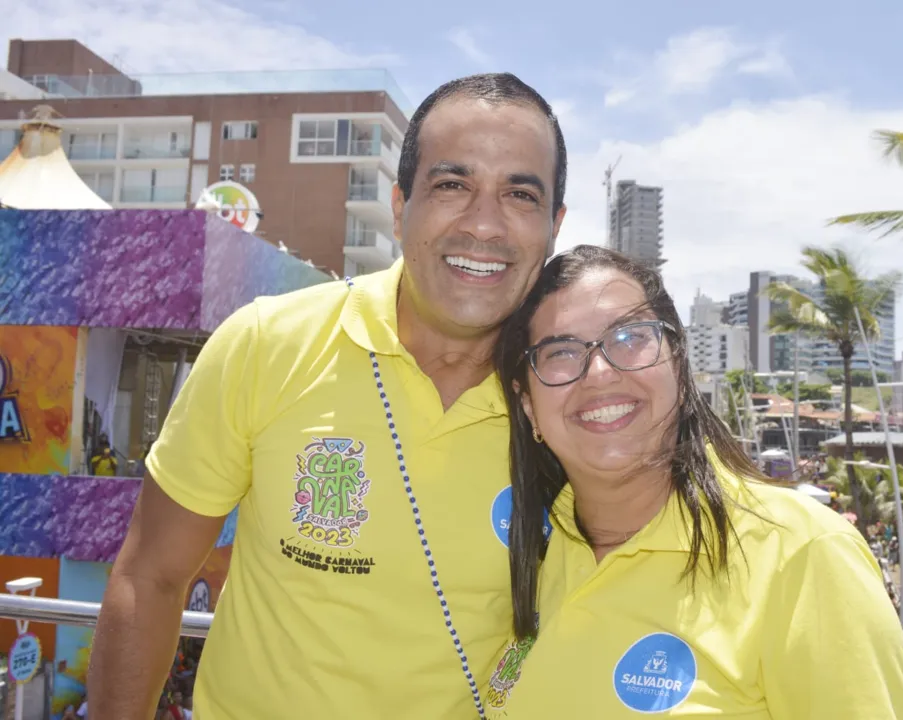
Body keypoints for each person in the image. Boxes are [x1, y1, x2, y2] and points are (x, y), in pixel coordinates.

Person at [87, 72, 567, 719]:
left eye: (520, 194)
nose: (484, 224)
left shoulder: (570, 398)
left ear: (554, 225)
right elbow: (150, 576)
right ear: (400, 208)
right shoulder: (264, 345)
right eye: (452, 185)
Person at [483, 245, 903, 717]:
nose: (601, 372)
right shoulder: (539, 550)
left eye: (630, 337)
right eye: (561, 351)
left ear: (680, 369)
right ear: (528, 407)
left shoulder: (801, 554)